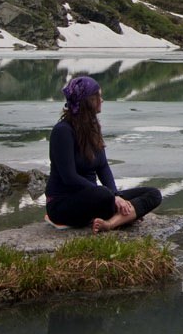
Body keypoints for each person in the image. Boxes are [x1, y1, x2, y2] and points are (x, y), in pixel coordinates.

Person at [45, 75, 161, 232]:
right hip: (63, 203)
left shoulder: (92, 127)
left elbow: (103, 167)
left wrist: (115, 195)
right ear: (87, 101)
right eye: (97, 96)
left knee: (153, 194)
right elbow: (69, 177)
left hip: (96, 197)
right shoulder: (62, 131)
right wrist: (112, 197)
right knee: (103, 195)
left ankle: (111, 223)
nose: (102, 100)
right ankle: (129, 214)